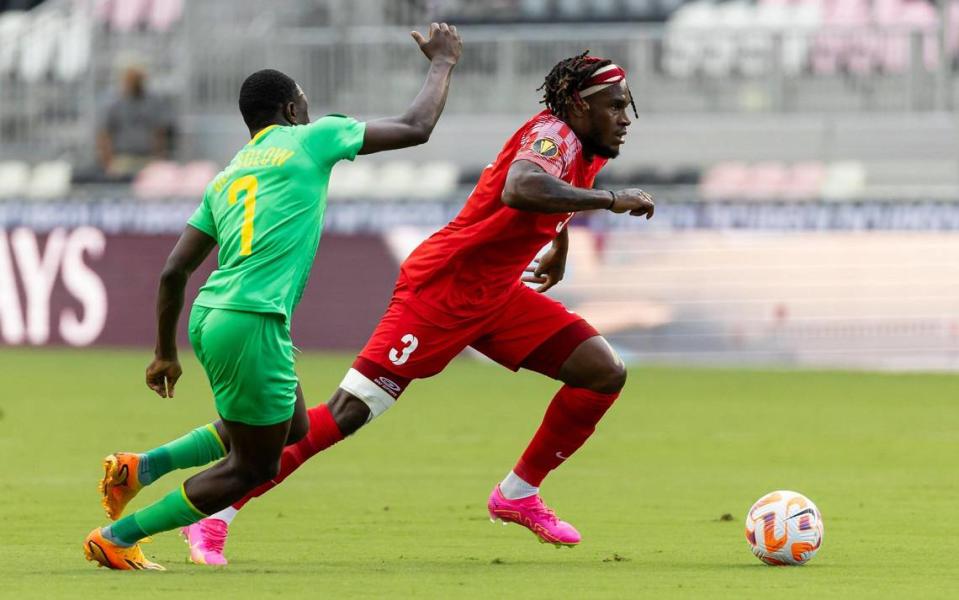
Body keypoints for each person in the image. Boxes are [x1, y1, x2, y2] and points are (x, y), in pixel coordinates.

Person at [175, 50, 656, 566]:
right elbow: (522, 187)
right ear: (579, 107)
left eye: (626, 107)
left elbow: (554, 194)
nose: (626, 118)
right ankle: (216, 511)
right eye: (615, 106)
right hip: (444, 290)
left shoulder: (587, 145)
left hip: (495, 292)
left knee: (602, 372)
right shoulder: (553, 135)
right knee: (347, 413)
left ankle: (516, 495)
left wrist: (556, 249)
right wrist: (611, 200)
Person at [82, 22, 463, 571]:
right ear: (289, 109)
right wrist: (443, 63)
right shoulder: (312, 138)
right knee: (252, 468)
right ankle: (117, 536)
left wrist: (164, 352)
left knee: (292, 428)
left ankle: (139, 468)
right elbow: (415, 126)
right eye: (304, 104)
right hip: (251, 321)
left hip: (213, 315)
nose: (309, 112)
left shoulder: (228, 175)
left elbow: (172, 273)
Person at [96, 64, 175, 178]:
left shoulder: (153, 102)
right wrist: (108, 163)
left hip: (148, 158)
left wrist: (159, 160)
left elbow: (159, 132)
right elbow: (104, 135)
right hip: (123, 158)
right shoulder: (114, 103)